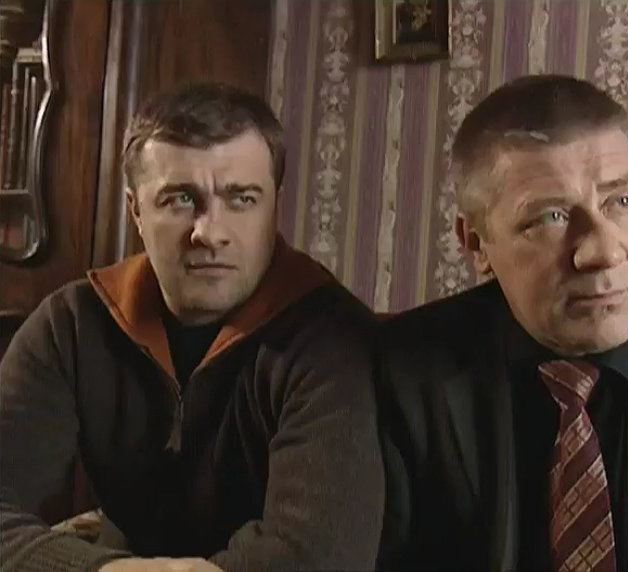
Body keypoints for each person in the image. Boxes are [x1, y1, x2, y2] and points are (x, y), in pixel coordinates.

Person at [376, 74, 628, 572]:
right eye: (550, 217)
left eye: (621, 202)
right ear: (476, 244)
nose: (603, 251)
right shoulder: (401, 374)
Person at [0, 82, 384, 572]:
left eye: (241, 199)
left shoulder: (333, 338)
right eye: (181, 199)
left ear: (275, 207)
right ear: (136, 210)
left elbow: (319, 557)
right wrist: (107, 571)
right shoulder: (71, 324)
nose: (209, 232)